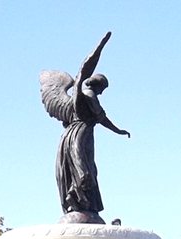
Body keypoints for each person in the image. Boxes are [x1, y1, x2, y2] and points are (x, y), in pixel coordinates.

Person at [40, 32, 130, 223]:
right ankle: (80, 203)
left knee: (82, 170)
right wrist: (100, 46)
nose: (102, 93)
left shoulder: (75, 97)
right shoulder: (87, 94)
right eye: (102, 89)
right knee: (83, 172)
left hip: (70, 136)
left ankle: (77, 203)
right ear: (99, 86)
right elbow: (101, 117)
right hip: (79, 136)